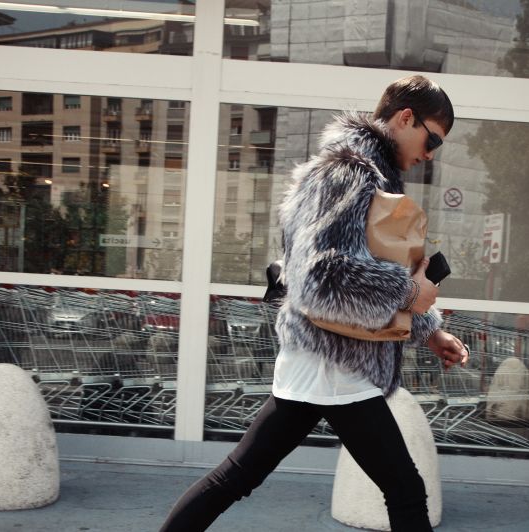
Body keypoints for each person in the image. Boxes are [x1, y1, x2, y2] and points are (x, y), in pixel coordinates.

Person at [159, 75, 469, 532]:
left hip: (323, 359)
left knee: (237, 477)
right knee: (404, 491)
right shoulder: (351, 172)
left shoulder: (367, 174)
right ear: (406, 118)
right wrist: (409, 294)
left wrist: (430, 330)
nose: (431, 154)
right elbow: (321, 276)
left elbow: (359, 265)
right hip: (337, 364)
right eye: (433, 139)